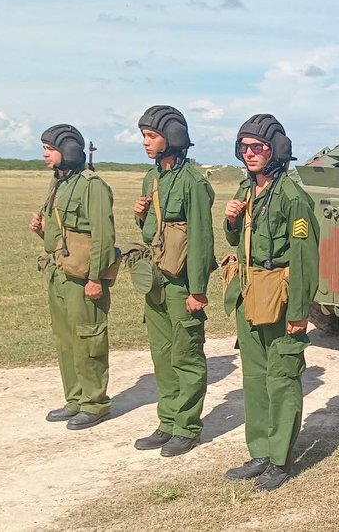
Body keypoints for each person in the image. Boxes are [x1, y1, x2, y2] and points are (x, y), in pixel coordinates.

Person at [221, 114, 319, 491]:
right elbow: (238, 245)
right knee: (255, 378)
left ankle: (280, 459)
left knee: (282, 377)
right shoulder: (246, 190)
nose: (250, 154)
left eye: (258, 147)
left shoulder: (293, 198)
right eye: (244, 147)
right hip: (250, 293)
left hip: (279, 296)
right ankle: (260, 451)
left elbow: (305, 257)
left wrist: (299, 312)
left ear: (275, 150)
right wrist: (231, 222)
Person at [130, 105, 216, 457]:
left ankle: (187, 426)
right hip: (157, 280)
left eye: (151, 136)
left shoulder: (193, 181)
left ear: (173, 137)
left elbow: (200, 237)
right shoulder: (152, 179)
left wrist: (198, 290)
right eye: (144, 137)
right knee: (162, 355)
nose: (146, 144)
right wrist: (140, 218)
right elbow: (155, 234)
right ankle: (167, 422)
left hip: (182, 284)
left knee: (186, 354)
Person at [31, 124, 116, 430]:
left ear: (67, 149)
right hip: (60, 273)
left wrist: (96, 278)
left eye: (49, 148)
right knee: (65, 339)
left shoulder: (92, 185)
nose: (44, 154)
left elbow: (104, 236)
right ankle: (75, 399)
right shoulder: (58, 183)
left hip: (84, 277)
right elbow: (59, 233)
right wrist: (41, 231)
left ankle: (95, 403)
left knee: (88, 337)